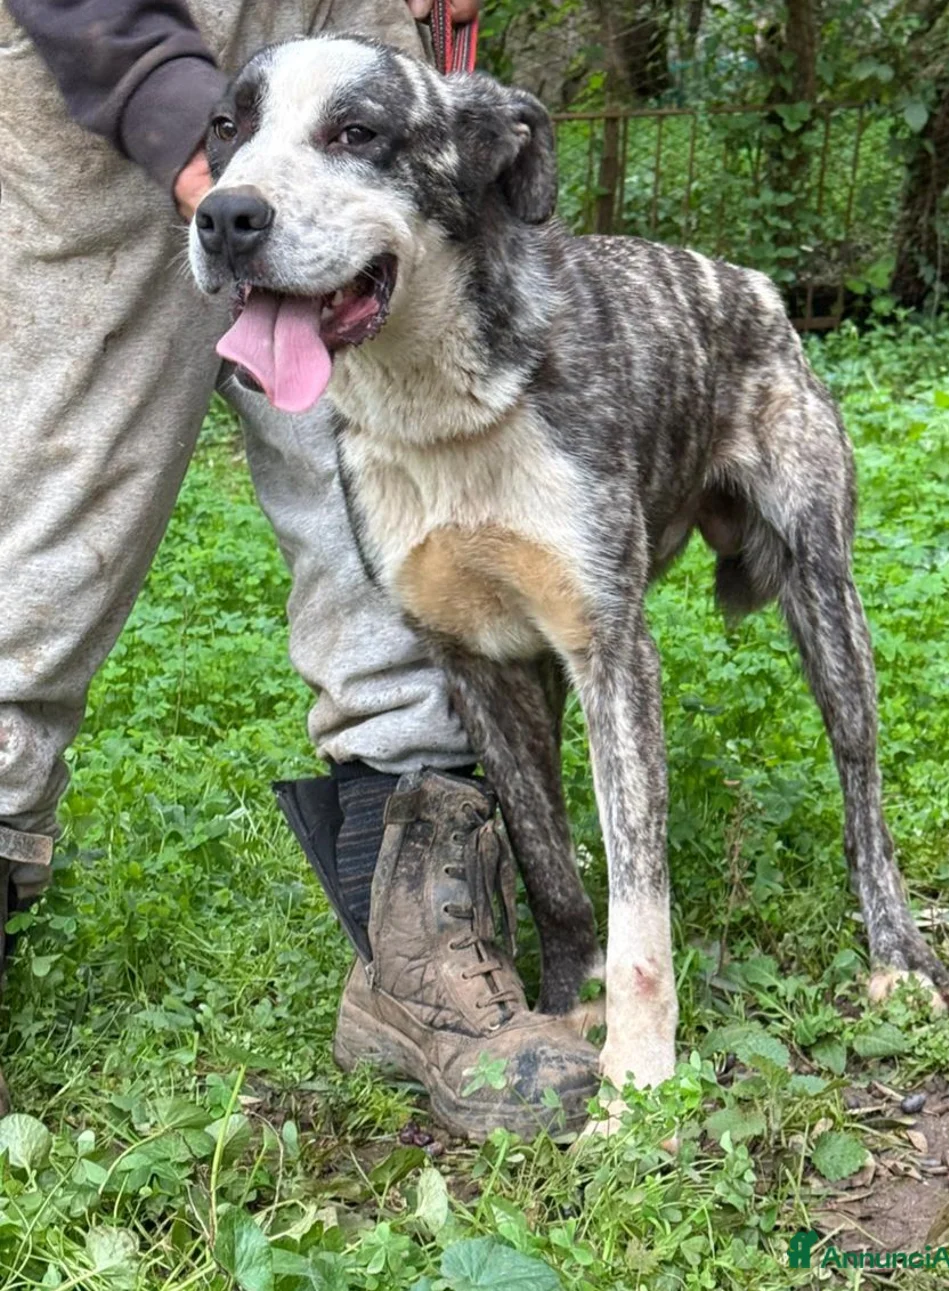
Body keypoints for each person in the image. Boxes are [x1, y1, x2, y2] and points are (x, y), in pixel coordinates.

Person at [0, 0, 597, 1140]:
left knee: (409, 467)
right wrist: (188, 133)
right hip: (96, 37)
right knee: (44, 494)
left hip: (350, 17)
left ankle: (423, 936)